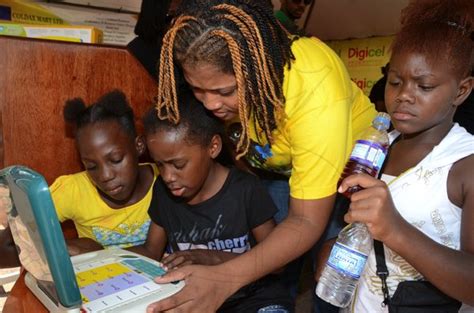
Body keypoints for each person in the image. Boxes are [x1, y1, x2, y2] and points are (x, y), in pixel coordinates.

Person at [148, 0, 377, 312]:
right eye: (198, 90)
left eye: (225, 92)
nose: (210, 104)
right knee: (276, 267)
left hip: (348, 172)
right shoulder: (217, 82)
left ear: (259, 67)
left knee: (332, 280)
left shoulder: (314, 83)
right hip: (280, 168)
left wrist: (223, 279)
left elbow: (306, 219)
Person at [337, 0, 474, 312]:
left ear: (462, 90)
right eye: (395, 81)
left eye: (424, 85)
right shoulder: (380, 145)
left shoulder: (466, 165)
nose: (403, 95)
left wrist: (394, 229)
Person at [131, 91, 293, 312]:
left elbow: (278, 264)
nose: (168, 176)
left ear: (213, 147)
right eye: (160, 165)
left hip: (252, 298)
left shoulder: (246, 190)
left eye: (178, 165)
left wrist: (209, 257)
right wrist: (99, 261)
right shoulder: (163, 191)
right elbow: (151, 250)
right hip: (197, 299)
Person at [0, 90, 158, 264]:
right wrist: (58, 252)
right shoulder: (72, 191)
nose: (105, 176)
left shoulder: (166, 181)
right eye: (91, 166)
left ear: (139, 146)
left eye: (116, 160)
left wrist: (98, 254)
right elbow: (9, 242)